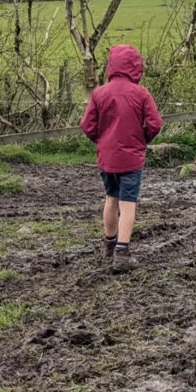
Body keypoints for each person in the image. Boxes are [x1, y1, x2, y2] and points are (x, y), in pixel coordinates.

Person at [80, 44, 163, 272]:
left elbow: (87, 125)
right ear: (136, 67)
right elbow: (155, 123)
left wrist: (102, 140)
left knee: (111, 198)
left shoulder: (99, 93)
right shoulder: (141, 93)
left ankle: (108, 245)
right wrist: (142, 139)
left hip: (107, 158)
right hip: (131, 158)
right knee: (128, 205)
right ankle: (122, 253)